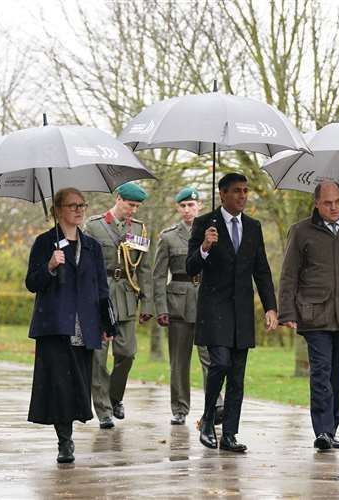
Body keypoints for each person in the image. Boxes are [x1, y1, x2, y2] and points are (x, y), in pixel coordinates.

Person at [279, 180, 339, 450]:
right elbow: (289, 274)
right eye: (327, 203)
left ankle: (332, 428)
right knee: (321, 373)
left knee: (337, 375)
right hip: (315, 315)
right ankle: (322, 431)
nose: (333, 207)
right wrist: (286, 311)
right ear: (316, 203)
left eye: (337, 201)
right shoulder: (300, 232)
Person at [186, 173, 278, 453]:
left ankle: (229, 435)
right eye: (236, 191)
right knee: (221, 363)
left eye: (245, 191)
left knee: (237, 374)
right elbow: (190, 267)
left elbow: (261, 269)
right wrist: (205, 246)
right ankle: (208, 420)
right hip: (214, 308)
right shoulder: (205, 224)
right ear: (222, 194)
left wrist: (271, 306)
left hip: (242, 311)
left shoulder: (253, 226)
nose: (243, 196)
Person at [25, 187, 115, 464]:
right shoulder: (44, 243)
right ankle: (65, 441)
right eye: (72, 205)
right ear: (57, 210)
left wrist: (106, 323)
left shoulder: (92, 246)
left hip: (84, 325)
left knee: (77, 383)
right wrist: (50, 266)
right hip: (55, 325)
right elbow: (32, 283)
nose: (79, 209)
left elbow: (101, 287)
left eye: (82, 205)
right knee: (59, 384)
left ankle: (69, 431)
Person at [84, 182, 153, 429]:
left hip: (125, 294)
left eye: (137, 206)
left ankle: (114, 398)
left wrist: (148, 302)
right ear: (118, 199)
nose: (133, 210)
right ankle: (103, 410)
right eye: (130, 204)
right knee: (99, 358)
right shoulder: (94, 226)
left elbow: (144, 268)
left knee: (127, 353)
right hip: (99, 296)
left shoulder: (140, 230)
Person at [153, 187, 223, 426]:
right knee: (179, 360)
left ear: (200, 206)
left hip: (207, 301)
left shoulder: (215, 232)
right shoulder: (169, 236)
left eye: (191, 205)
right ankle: (180, 408)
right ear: (177, 208)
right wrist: (160, 307)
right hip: (178, 303)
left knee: (211, 358)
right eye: (183, 206)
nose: (187, 210)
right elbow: (158, 275)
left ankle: (215, 405)